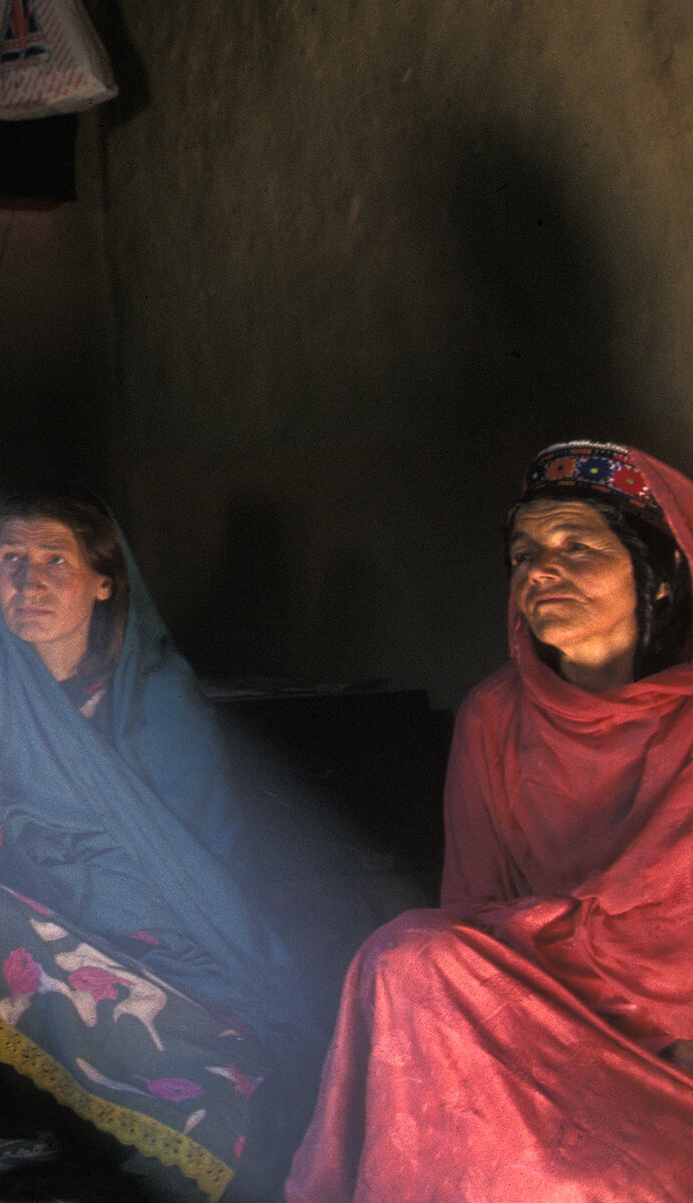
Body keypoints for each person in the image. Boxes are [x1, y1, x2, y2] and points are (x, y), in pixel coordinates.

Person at [286, 441, 693, 1202]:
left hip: (665, 1055)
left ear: (659, 576)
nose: (540, 572)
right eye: (524, 553)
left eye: (576, 546)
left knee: (414, 956)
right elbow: (473, 912)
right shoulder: (494, 715)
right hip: (528, 1031)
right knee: (411, 957)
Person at [0, 486, 317, 1199]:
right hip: (62, 957)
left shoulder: (160, 701)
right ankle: (124, 1111)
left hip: (185, 959)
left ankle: (159, 1108)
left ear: (104, 582)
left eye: (54, 562)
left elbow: (207, 868)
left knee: (244, 1102)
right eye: (11, 559)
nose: (29, 582)